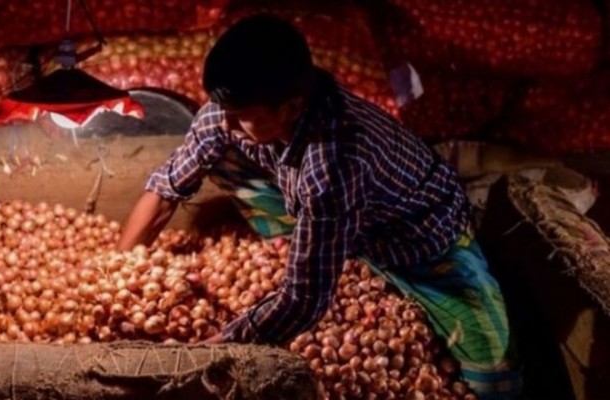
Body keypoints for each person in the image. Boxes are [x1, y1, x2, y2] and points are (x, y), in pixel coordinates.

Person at [118, 15, 521, 399]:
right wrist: (117, 270)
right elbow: (167, 188)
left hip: (420, 236)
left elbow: (304, 300)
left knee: (493, 379)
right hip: (335, 214)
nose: (226, 124)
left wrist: (217, 348)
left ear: (291, 108)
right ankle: (317, 243)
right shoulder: (232, 116)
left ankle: (336, 251)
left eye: (240, 117)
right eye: (224, 111)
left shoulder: (333, 164)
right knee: (217, 150)